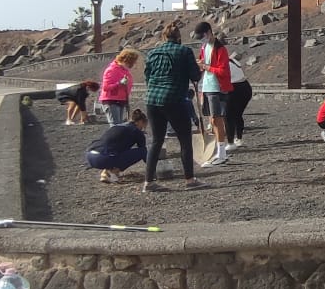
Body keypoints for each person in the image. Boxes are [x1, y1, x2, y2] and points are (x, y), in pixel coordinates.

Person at [142, 21, 204, 191]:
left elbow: (147, 76)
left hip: (152, 99)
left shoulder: (153, 52)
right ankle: (190, 180)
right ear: (178, 37)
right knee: (184, 140)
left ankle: (149, 182)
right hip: (174, 98)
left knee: (156, 141)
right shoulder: (184, 51)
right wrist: (200, 69)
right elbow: (195, 76)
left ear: (164, 36)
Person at [194, 22, 233, 166]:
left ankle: (221, 154)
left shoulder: (220, 49)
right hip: (207, 87)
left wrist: (206, 67)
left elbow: (223, 71)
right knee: (212, 121)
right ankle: (219, 152)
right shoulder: (204, 47)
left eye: (203, 36)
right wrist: (200, 65)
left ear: (209, 32)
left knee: (217, 120)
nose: (202, 40)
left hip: (218, 88)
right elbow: (203, 64)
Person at [85, 108, 149, 184]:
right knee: (142, 151)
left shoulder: (118, 126)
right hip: (103, 158)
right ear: (140, 122)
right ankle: (111, 173)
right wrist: (153, 167)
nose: (144, 127)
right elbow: (144, 152)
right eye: (144, 124)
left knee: (114, 151)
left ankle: (106, 172)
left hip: (90, 155)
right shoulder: (136, 131)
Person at [98, 49, 139, 125]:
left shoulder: (124, 71)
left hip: (121, 100)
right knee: (115, 125)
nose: (132, 65)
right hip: (111, 101)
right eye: (131, 62)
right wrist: (119, 83)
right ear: (125, 60)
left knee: (119, 125)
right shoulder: (111, 70)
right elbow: (106, 87)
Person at [222, 52, 252, 150]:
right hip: (245, 86)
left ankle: (231, 143)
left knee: (228, 116)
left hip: (235, 88)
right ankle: (238, 138)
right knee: (237, 115)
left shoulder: (223, 64)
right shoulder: (232, 60)